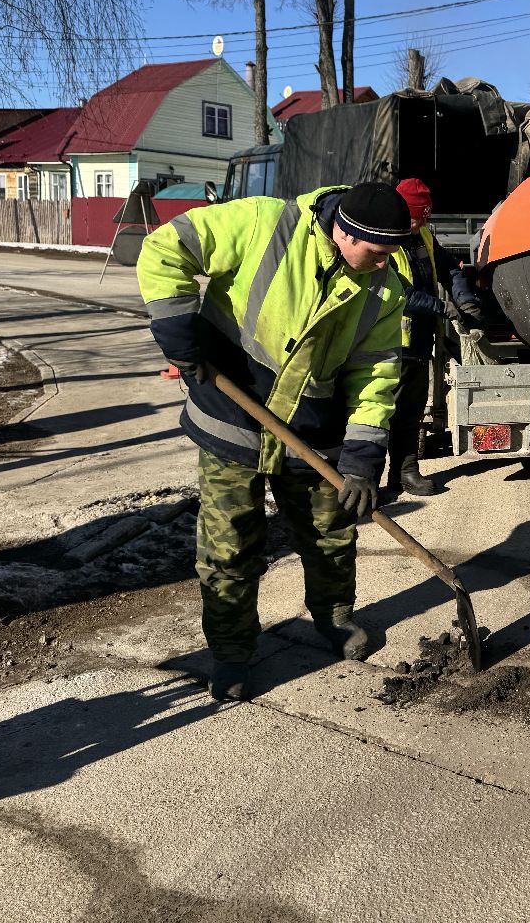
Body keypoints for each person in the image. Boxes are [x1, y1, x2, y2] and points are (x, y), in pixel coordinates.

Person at [137, 182, 411, 701]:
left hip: (313, 429)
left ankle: (333, 619)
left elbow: (376, 374)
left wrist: (361, 455)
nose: (383, 263)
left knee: (329, 532)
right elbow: (165, 247)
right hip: (231, 413)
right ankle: (231, 651)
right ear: (344, 231)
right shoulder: (265, 223)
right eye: (376, 252)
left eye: (391, 253)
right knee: (229, 545)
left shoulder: (385, 289)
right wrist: (177, 332)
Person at [386, 177, 482, 496]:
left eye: (424, 218)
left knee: (411, 410)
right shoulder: (384, 238)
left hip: (416, 344)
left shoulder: (422, 234)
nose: (421, 223)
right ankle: (372, 478)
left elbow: (450, 268)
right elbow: (395, 292)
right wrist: (442, 307)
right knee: (380, 413)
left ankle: (406, 471)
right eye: (417, 217)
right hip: (386, 346)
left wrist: (464, 298)